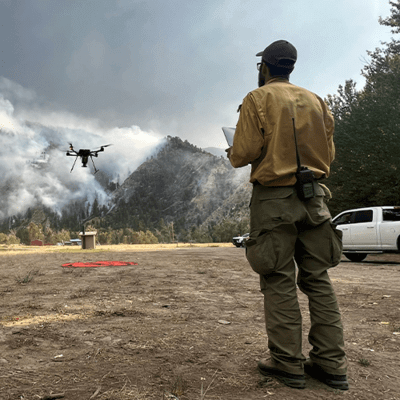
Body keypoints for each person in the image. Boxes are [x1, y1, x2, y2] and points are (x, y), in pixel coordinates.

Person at [226, 40, 348, 390]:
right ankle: (331, 364)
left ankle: (287, 363)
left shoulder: (257, 98)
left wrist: (234, 150)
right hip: (315, 199)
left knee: (278, 279)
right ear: (291, 67)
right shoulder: (317, 101)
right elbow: (330, 153)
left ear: (263, 67)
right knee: (318, 279)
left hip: (274, 200)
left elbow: (243, 153)